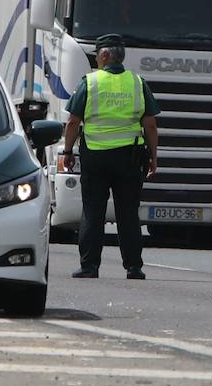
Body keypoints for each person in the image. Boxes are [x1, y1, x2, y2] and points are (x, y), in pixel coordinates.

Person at [61, 34, 160, 280]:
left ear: (104, 56)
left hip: (96, 157)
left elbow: (73, 121)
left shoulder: (90, 82)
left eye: (97, 55)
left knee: (93, 211)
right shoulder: (137, 83)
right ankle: (134, 267)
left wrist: (67, 151)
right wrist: (153, 156)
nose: (96, 59)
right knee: (128, 212)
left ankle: (89, 266)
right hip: (129, 158)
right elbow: (151, 125)